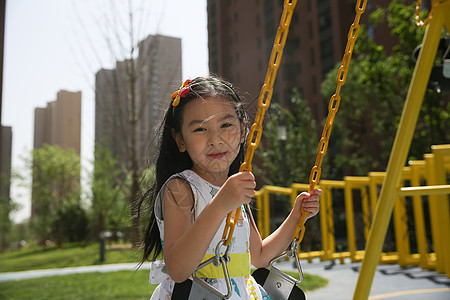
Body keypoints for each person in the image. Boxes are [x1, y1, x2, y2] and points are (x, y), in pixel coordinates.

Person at [140, 76, 322, 299]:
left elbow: (260, 256)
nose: (215, 139)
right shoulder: (181, 188)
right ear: (180, 140)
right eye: (200, 129)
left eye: (226, 125)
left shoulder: (235, 191)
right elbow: (178, 269)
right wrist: (220, 205)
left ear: (243, 128)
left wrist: (297, 215)